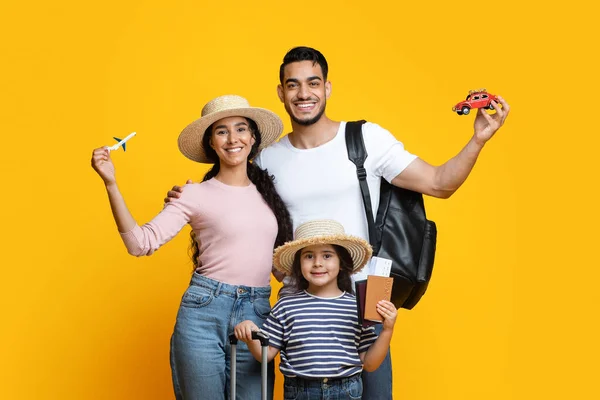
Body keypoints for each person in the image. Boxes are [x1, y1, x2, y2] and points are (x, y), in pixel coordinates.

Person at [166, 46, 511, 399]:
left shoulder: (365, 139)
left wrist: (477, 140)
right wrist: (188, 197)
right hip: (301, 300)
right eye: (293, 85)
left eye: (313, 83)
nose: (303, 94)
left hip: (369, 290)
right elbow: (231, 195)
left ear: (327, 88)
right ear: (281, 93)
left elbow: (440, 183)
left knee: (374, 393)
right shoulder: (268, 159)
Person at [91, 94, 293, 400]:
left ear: (253, 137)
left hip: (257, 313)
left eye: (240, 129)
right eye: (221, 131)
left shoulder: (271, 195)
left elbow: (279, 267)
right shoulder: (193, 194)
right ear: (211, 143)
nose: (232, 138)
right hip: (203, 314)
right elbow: (139, 244)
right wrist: (111, 184)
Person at [234, 219, 398, 400]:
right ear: (299, 264)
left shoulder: (356, 306)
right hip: (300, 392)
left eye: (327, 255)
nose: (318, 263)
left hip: (346, 391)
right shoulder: (286, 306)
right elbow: (266, 355)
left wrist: (387, 330)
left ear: (341, 262)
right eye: (309, 256)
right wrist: (251, 334)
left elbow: (369, 363)